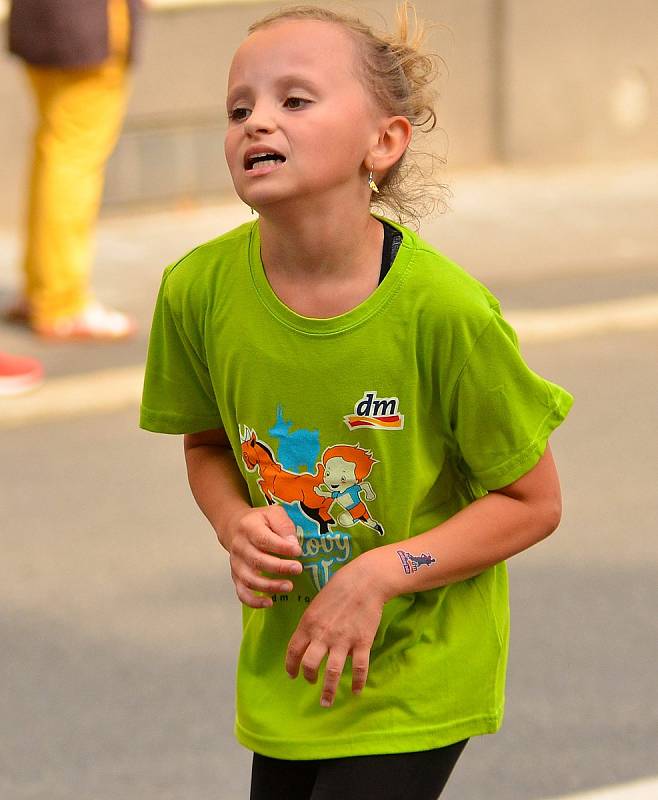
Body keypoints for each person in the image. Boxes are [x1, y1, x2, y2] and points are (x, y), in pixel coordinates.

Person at [140, 4, 574, 798]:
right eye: (239, 108)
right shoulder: (195, 292)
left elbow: (532, 501)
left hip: (417, 663)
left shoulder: (446, 312)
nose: (256, 122)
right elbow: (205, 446)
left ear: (384, 141)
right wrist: (234, 521)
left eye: (294, 101)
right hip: (293, 664)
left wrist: (380, 574)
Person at [7, 0, 143, 339]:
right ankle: (60, 302)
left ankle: (42, 289)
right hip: (89, 27)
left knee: (53, 151)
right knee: (73, 158)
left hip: (40, 21)